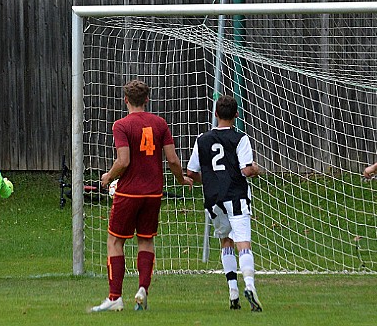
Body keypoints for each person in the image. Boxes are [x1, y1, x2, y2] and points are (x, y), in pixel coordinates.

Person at [91, 80, 193, 312]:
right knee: (146, 240)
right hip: (153, 192)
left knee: (115, 241)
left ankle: (115, 297)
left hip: (128, 193)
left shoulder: (121, 125)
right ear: (147, 99)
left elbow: (124, 160)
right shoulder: (160, 124)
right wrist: (181, 179)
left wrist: (108, 176)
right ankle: (142, 289)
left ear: (125, 99)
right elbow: (173, 160)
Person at [187, 95, 262, 312]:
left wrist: (211, 180)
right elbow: (247, 169)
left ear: (216, 114)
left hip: (213, 199)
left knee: (225, 241)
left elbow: (191, 172)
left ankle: (233, 292)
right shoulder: (240, 138)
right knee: (243, 242)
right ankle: (249, 285)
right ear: (236, 115)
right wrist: (255, 170)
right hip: (236, 195)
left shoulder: (202, 139)